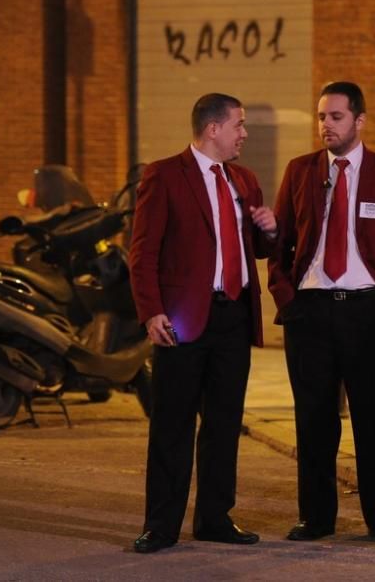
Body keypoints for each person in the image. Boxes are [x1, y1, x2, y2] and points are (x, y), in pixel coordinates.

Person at [269, 81, 375, 544]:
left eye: (335, 117)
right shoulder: (300, 171)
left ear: (359, 121)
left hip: (368, 312)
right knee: (313, 420)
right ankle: (315, 517)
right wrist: (286, 298)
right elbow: (279, 243)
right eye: (320, 117)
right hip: (311, 312)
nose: (325, 126)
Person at [128, 93, 277, 554]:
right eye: (239, 125)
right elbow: (143, 251)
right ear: (213, 128)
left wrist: (269, 230)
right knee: (172, 424)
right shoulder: (165, 175)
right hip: (182, 321)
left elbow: (254, 249)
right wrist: (151, 310)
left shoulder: (245, 180)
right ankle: (161, 524)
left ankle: (215, 517)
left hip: (232, 315)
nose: (244, 133)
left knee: (223, 423)